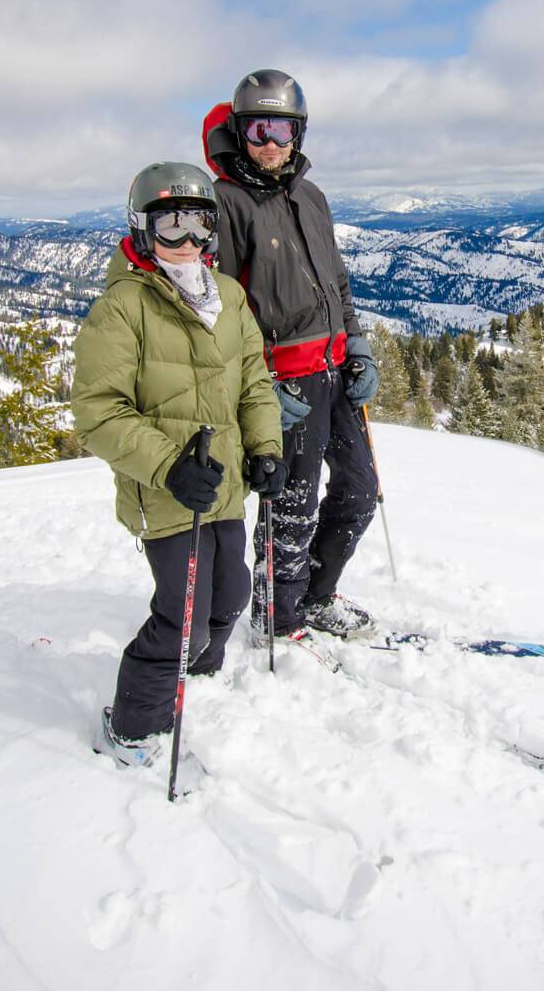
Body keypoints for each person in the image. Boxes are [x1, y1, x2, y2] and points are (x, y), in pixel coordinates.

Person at [72, 162, 288, 767]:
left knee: (233, 592)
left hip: (224, 486)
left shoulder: (229, 297)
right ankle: (136, 725)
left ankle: (198, 671)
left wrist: (265, 447)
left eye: (198, 224)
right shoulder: (123, 309)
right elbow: (98, 411)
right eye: (170, 226)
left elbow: (253, 383)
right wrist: (169, 466)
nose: (186, 241)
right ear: (143, 231)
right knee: (184, 616)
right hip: (168, 494)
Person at [202, 69, 381, 640]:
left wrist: (356, 346)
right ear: (239, 131)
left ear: (298, 133)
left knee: (359, 491)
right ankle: (276, 616)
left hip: (334, 373)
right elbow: (219, 310)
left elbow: (337, 281)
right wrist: (254, 387)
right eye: (258, 130)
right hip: (286, 385)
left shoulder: (311, 196)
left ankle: (314, 596)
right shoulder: (225, 203)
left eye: (282, 129)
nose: (271, 143)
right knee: (292, 510)